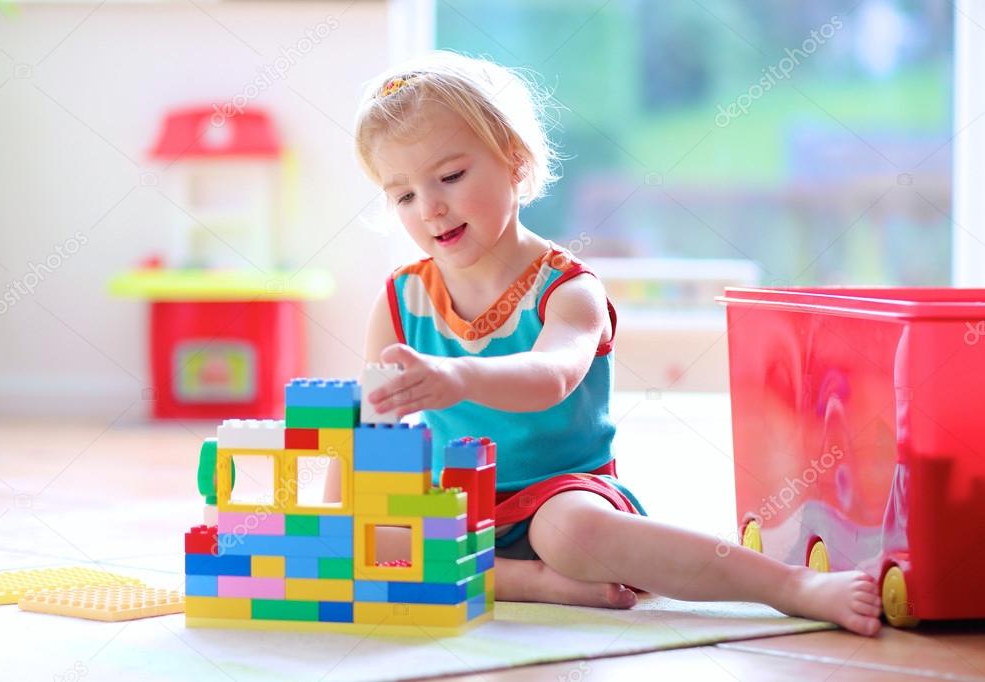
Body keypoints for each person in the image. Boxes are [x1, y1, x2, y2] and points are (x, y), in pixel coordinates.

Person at [350, 50, 882, 636]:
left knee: (569, 535)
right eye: (403, 195)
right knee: (364, 535)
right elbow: (371, 435)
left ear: (515, 163)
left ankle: (790, 586)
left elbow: (551, 375)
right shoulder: (400, 303)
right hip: (455, 501)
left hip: (562, 494)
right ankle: (530, 584)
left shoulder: (566, 288)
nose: (430, 207)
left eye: (450, 176)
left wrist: (458, 378)